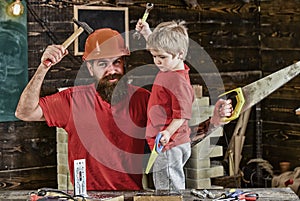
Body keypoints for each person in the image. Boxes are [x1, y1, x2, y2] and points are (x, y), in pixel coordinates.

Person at [16, 26, 232, 191]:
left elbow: (176, 139)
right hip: (86, 197)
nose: (112, 70)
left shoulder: (143, 100)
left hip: (130, 196)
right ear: (89, 67)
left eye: (117, 62)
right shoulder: (72, 101)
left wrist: (214, 121)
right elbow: (24, 112)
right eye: (102, 64)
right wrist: (44, 67)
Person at [136, 20, 232, 190]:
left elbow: (181, 115)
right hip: (166, 142)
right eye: (154, 56)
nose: (157, 61)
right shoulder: (169, 67)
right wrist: (147, 33)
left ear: (180, 55)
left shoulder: (178, 81)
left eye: (162, 57)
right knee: (166, 186)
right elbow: (162, 47)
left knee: (169, 191)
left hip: (169, 145)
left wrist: (167, 132)